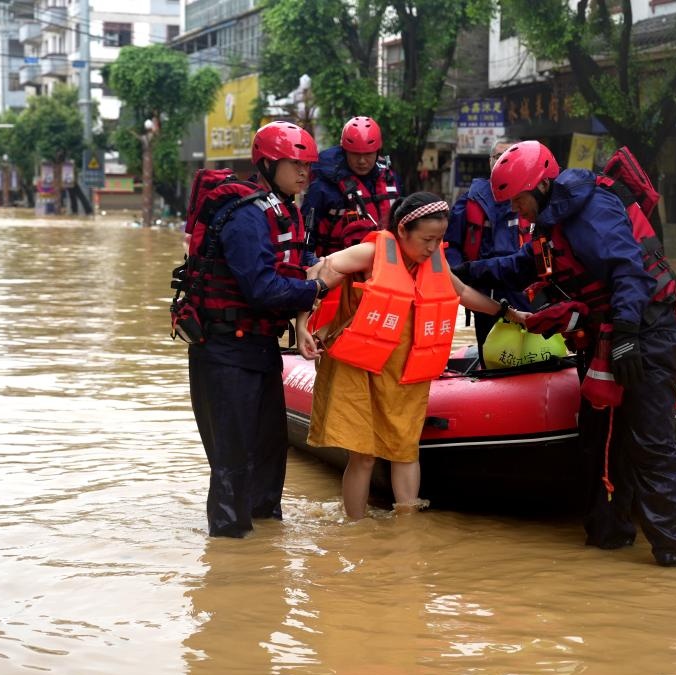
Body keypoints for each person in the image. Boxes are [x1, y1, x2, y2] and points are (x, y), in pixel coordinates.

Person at [454, 141, 676, 567]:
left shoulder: (592, 212)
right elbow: (524, 266)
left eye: (519, 199)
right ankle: (609, 536)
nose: (518, 210)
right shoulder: (552, 223)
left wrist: (625, 335)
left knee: (650, 440)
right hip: (606, 337)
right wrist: (463, 271)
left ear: (543, 184)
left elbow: (629, 271)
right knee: (598, 439)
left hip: (644, 334)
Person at [295, 192, 529, 520]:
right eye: (427, 239)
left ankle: (407, 530)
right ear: (403, 231)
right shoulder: (372, 253)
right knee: (362, 456)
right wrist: (303, 325)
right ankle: (355, 531)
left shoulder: (433, 263)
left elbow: (461, 293)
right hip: (357, 367)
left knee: (406, 451)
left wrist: (509, 313)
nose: (434, 248)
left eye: (439, 239)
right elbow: (322, 270)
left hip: (403, 371)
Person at [182, 121, 343, 538]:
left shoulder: (285, 209)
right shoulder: (247, 217)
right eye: (295, 164)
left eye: (308, 164)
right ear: (269, 164)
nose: (305, 173)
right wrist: (315, 288)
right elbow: (261, 288)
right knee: (233, 460)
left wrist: (304, 318)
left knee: (271, 453)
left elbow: (287, 276)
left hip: (259, 348)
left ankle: (266, 550)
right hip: (223, 352)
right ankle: (230, 552)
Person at [444, 138, 534, 362]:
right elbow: (452, 244)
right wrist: (457, 277)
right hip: (484, 287)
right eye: (498, 157)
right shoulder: (470, 200)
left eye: (510, 156)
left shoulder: (531, 199)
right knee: (490, 350)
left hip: (523, 287)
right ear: (490, 161)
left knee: (531, 348)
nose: (503, 161)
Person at [301, 115, 401, 256]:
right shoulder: (322, 187)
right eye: (355, 154)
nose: (361, 161)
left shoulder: (390, 179)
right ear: (344, 151)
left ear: (377, 151)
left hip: (385, 265)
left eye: (368, 154)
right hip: (338, 270)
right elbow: (305, 236)